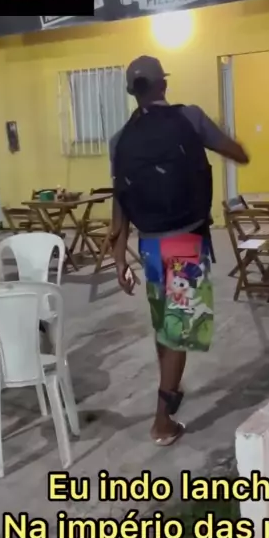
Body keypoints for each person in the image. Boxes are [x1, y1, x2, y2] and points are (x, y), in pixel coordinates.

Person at [110, 55, 249, 446]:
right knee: (181, 330)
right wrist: (228, 139)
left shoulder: (120, 139)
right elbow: (237, 153)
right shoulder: (190, 117)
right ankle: (162, 421)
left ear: (132, 92)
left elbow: (120, 200)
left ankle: (168, 385)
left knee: (165, 324)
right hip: (187, 240)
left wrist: (119, 259)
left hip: (149, 243)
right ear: (163, 85)